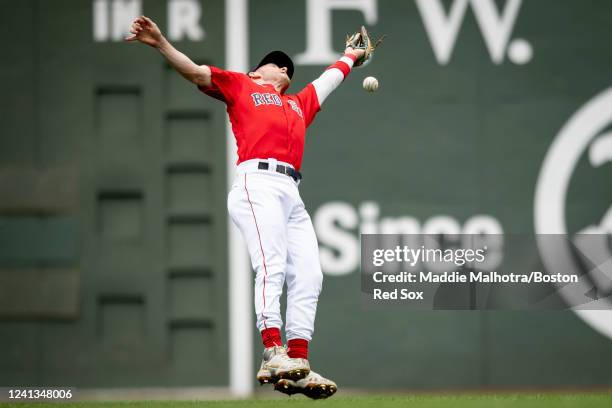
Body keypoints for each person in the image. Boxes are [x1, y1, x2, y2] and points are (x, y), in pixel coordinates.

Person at [126, 16, 367, 399]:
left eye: (281, 65)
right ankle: (273, 350)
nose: (278, 66)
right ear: (256, 72)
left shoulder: (297, 105)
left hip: (291, 191)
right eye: (272, 62)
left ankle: (298, 363)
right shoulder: (241, 85)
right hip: (257, 184)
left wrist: (350, 57)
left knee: (309, 275)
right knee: (270, 263)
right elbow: (195, 72)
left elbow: (326, 82)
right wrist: (160, 43)